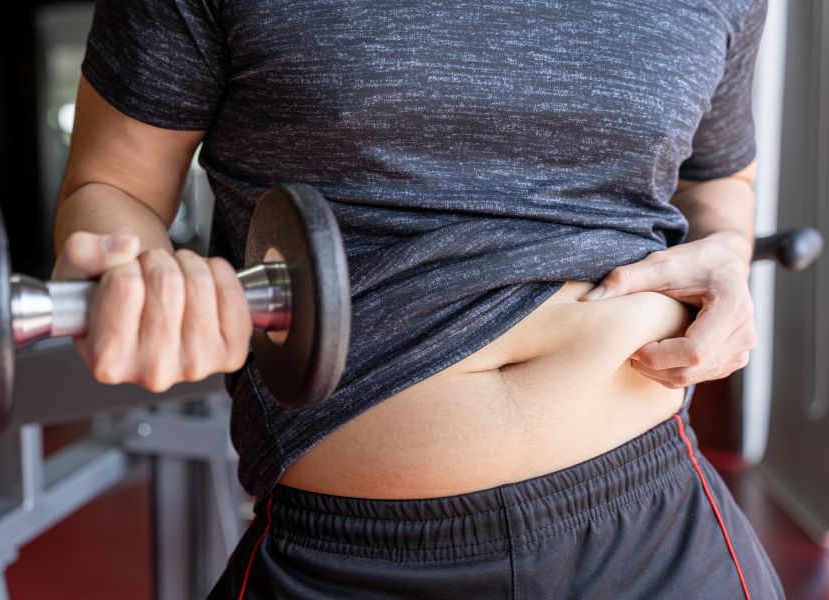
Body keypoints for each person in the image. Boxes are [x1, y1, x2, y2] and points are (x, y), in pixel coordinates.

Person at [52, 0, 783, 597]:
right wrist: (139, 275)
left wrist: (726, 250)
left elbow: (719, 180)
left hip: (656, 532)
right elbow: (111, 186)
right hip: (347, 559)